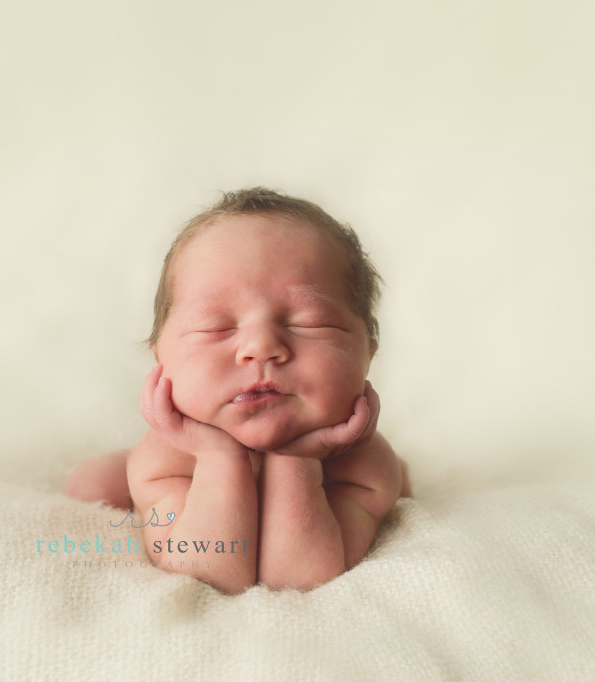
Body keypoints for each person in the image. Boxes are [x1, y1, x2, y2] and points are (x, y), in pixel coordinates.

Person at [64, 188, 410, 593]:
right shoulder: (166, 461)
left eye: (311, 322)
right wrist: (216, 456)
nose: (261, 347)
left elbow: (296, 577)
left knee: (401, 481)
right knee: (91, 486)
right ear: (160, 359)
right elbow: (208, 571)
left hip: (337, 467)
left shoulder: (363, 468)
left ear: (368, 351)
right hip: (183, 463)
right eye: (216, 327)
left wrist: (298, 457)